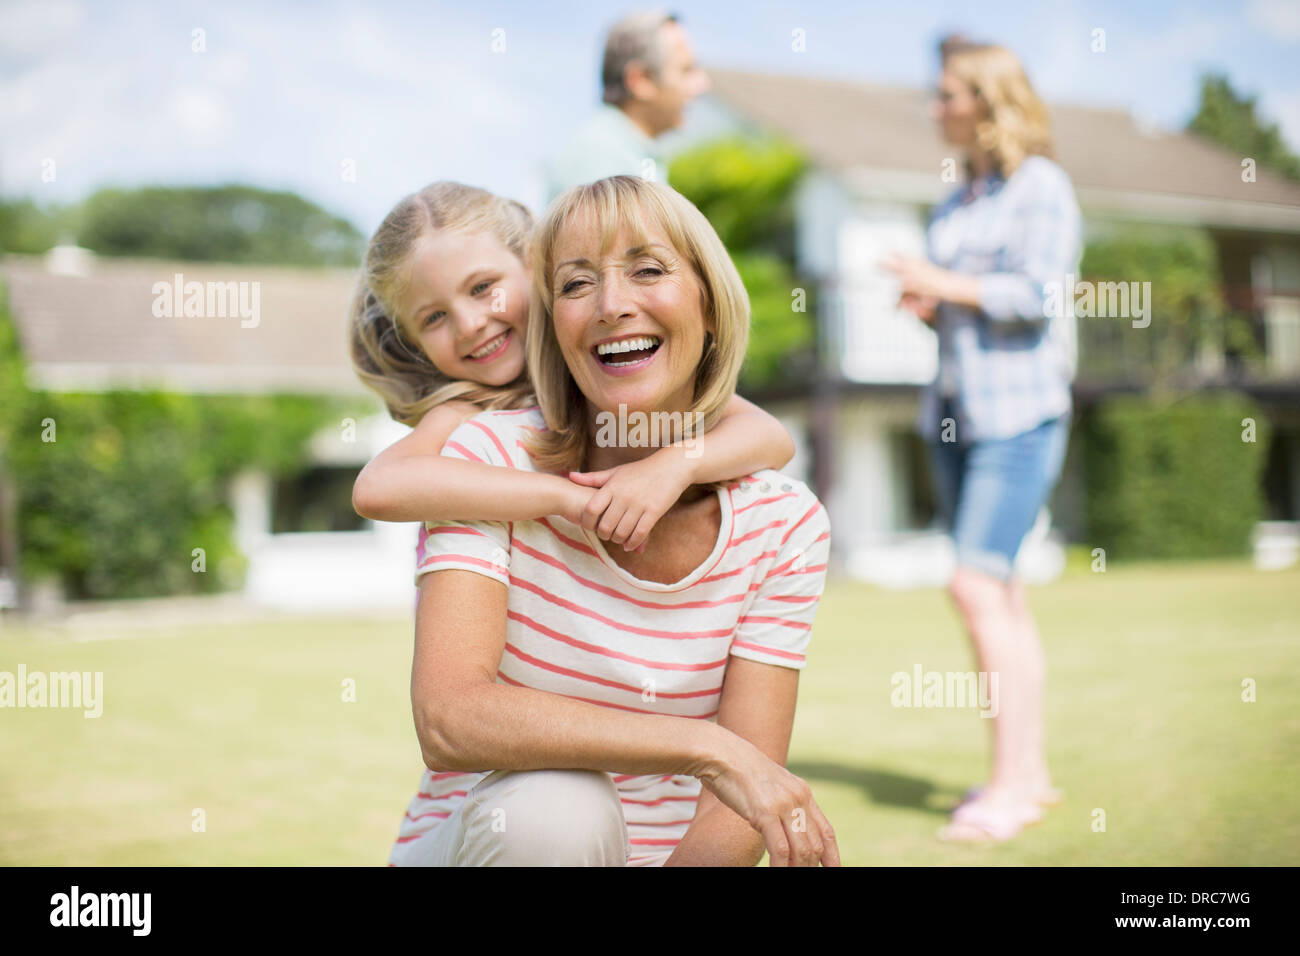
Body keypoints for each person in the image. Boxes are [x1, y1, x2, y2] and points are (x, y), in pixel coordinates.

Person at [388, 176, 839, 866]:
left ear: (711, 306)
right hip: (487, 845)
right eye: (574, 285)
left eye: (648, 270)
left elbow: (733, 817)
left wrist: (680, 460)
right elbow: (450, 719)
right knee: (559, 808)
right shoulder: (484, 457)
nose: (611, 305)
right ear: (551, 322)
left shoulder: (782, 523)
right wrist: (708, 748)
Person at [349, 180, 794, 554]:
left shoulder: (600, 363)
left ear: (537, 267)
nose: (469, 324)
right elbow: (378, 487)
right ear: (415, 343)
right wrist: (565, 497)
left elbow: (771, 437)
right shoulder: (472, 407)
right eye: (434, 318)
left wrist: (675, 465)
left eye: (483, 287)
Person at [881, 42, 1082, 842]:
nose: (934, 108)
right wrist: (927, 302)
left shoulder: (1043, 186)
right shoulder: (955, 200)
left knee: (971, 585)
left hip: (1021, 417)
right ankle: (1028, 775)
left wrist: (942, 284)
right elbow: (967, 299)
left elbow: (1039, 295)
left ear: (987, 101)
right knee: (1001, 594)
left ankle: (1005, 790)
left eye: (947, 95)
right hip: (955, 415)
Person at [540, 10, 710, 204]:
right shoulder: (603, 160)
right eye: (686, 70)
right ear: (640, 80)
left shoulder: (625, 155)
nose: (703, 85)